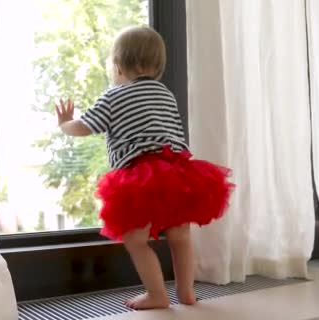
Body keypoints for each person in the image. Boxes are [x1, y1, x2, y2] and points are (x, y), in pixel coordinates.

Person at [55, 26, 234, 310]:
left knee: (136, 239)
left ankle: (157, 294)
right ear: (158, 65)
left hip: (141, 175)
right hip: (178, 173)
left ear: (117, 67)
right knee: (181, 236)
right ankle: (186, 293)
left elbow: (85, 128)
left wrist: (65, 124)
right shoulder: (166, 94)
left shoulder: (114, 96)